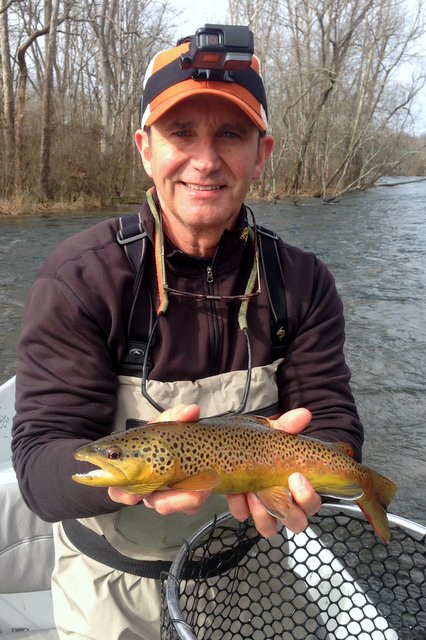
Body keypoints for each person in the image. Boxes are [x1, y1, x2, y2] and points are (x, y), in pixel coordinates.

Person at [12, 24, 363, 640]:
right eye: (181, 132)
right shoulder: (81, 278)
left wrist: (323, 474)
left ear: (263, 152)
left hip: (250, 559)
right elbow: (40, 464)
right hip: (113, 582)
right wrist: (130, 488)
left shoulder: (302, 282)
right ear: (145, 147)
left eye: (230, 133)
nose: (205, 160)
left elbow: (331, 417)